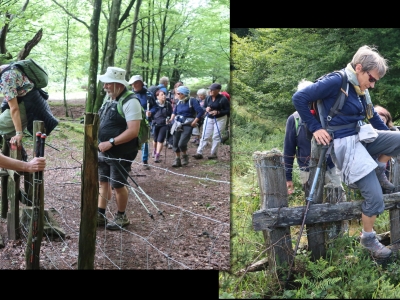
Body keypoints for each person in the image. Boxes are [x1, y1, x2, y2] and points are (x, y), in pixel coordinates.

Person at [292, 45, 399, 259]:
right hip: (346, 144)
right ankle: (368, 239)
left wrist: (389, 134)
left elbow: (373, 118)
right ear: (359, 68)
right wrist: (316, 127)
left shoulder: (360, 90)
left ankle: (378, 169)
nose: (372, 85)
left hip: (363, 136)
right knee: (375, 199)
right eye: (372, 79)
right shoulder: (336, 81)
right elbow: (299, 98)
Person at [97, 66, 142, 230]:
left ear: (118, 84)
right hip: (103, 151)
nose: (105, 87)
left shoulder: (131, 102)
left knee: (117, 185)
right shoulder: (109, 98)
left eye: (108, 83)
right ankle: (100, 214)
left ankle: (121, 216)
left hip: (121, 152)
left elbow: (133, 131)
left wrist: (111, 142)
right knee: (103, 182)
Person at [285, 79, 344, 195]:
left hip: (331, 168)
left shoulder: (327, 116)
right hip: (307, 170)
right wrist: (288, 177)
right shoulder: (294, 119)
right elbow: (289, 149)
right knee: (312, 205)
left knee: (339, 199)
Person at [0, 64, 58, 155]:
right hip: (35, 101)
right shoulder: (8, 67)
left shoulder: (6, 79)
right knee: (9, 135)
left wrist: (19, 133)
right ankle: (17, 162)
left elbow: (14, 109)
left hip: (27, 105)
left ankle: (15, 163)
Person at [167, 86, 204, 167]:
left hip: (188, 124)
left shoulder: (192, 100)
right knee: (175, 142)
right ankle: (177, 159)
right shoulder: (179, 101)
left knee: (182, 143)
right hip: (177, 124)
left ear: (183, 94)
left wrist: (194, 122)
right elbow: (175, 111)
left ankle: (185, 156)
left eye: (178, 93)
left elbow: (201, 111)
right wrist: (170, 119)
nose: (176, 95)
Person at [193, 83, 230, 160]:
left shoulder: (223, 99)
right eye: (210, 89)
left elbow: (227, 110)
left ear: (218, 90)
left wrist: (218, 112)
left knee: (216, 136)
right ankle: (199, 153)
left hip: (220, 119)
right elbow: (204, 107)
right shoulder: (208, 98)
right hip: (209, 118)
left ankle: (213, 154)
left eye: (212, 89)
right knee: (204, 135)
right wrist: (206, 109)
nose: (210, 91)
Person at [128, 74, 155, 170]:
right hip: (131, 121)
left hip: (144, 121)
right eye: (132, 83)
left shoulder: (148, 94)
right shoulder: (129, 94)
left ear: (140, 83)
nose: (134, 85)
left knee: (144, 141)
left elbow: (154, 106)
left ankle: (144, 161)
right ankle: (129, 162)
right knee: (130, 141)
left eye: (135, 83)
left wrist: (151, 112)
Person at [147, 89, 172, 162]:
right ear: (157, 97)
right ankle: (154, 150)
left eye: (164, 94)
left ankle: (157, 155)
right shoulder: (154, 104)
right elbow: (150, 115)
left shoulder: (168, 104)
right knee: (155, 140)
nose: (164, 96)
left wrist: (169, 119)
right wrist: (148, 115)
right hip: (155, 124)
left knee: (160, 140)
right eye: (162, 95)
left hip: (164, 124)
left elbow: (171, 114)